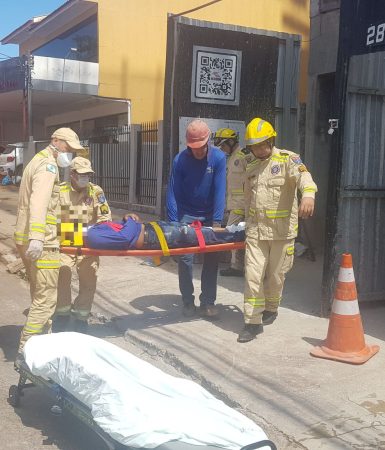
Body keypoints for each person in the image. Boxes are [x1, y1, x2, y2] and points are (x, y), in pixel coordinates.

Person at [237, 117, 317, 343]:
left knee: (275, 276)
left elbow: (304, 177)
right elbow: (245, 199)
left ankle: (271, 307)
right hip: (256, 232)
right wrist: (236, 219)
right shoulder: (250, 165)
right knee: (252, 276)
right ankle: (252, 323)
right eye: (255, 146)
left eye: (263, 144)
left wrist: (308, 195)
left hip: (281, 233)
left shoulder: (287, 159)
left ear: (271, 140)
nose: (259, 149)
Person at [14, 127, 83, 358]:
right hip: (43, 241)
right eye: (68, 147)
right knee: (46, 299)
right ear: (55, 141)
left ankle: (42, 340)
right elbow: (40, 202)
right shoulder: (48, 166)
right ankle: (27, 349)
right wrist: (37, 237)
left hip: (28, 238)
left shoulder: (37, 160)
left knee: (38, 293)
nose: (70, 153)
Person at [166, 119, 227, 318]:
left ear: (208, 142)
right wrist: (174, 222)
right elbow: (173, 192)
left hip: (210, 216)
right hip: (187, 215)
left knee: (212, 258)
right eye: (194, 148)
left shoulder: (218, 158)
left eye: (201, 147)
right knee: (185, 258)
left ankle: (208, 302)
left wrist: (217, 222)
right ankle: (187, 300)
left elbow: (220, 191)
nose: (198, 152)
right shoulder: (180, 160)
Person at [53, 157, 111, 333]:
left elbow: (105, 217)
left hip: (89, 242)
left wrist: (97, 232)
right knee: (63, 272)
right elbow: (54, 220)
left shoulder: (95, 191)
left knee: (89, 277)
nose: (85, 177)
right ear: (72, 174)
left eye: (88, 174)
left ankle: (81, 316)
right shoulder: (60, 191)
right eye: (81, 174)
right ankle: (62, 313)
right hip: (66, 240)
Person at [213, 128, 253, 277]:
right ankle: (239, 266)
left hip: (242, 205)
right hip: (235, 204)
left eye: (223, 145)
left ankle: (237, 267)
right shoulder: (230, 158)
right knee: (239, 235)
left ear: (231, 142)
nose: (222, 149)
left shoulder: (244, 156)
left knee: (232, 233)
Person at [85, 215, 244, 250]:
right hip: (152, 236)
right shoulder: (93, 236)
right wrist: (131, 221)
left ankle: (232, 230)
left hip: (155, 230)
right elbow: (125, 237)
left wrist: (127, 219)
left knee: (198, 230)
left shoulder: (95, 230)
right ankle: (238, 234)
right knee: (200, 235)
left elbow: (123, 231)